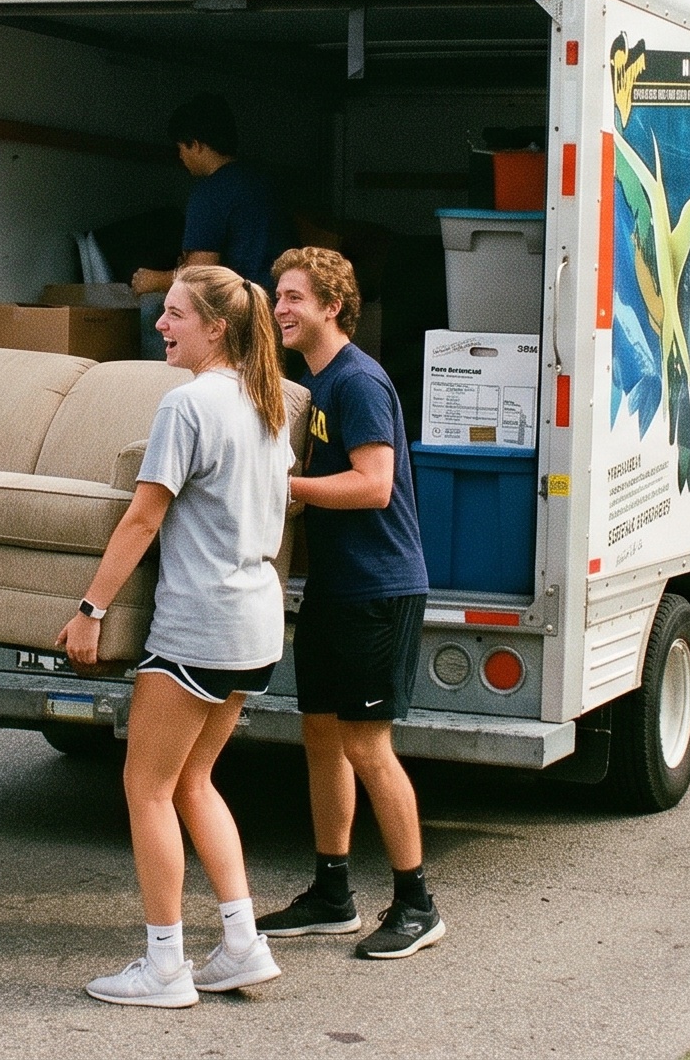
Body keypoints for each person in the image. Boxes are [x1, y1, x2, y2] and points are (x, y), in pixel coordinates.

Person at [59, 263, 292, 1007]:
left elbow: (143, 517)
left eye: (175, 315)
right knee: (194, 781)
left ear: (215, 327)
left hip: (199, 624)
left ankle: (164, 967)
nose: (161, 325)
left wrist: (91, 610)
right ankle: (242, 944)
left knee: (147, 786)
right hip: (255, 623)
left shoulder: (188, 404)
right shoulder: (270, 402)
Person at [258, 248, 445, 958]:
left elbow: (374, 485)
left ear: (332, 306)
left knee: (368, 746)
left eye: (294, 298)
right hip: (336, 588)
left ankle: (417, 903)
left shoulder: (359, 382)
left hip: (380, 588)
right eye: (278, 297)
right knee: (320, 736)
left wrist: (286, 487)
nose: (281, 309)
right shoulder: (315, 383)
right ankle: (332, 893)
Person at [131, 94, 288, 295]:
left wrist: (155, 280)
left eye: (180, 148)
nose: (180, 156)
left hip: (244, 306)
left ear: (195, 145)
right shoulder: (263, 180)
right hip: (282, 299)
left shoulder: (209, 193)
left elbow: (201, 273)